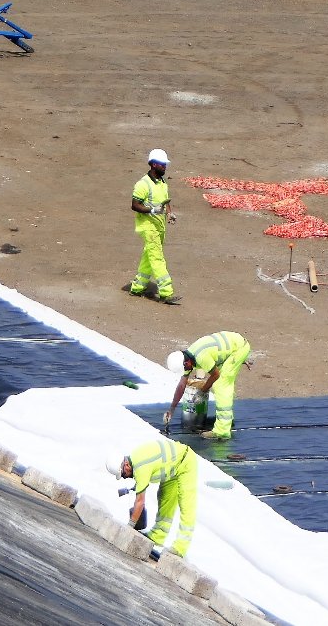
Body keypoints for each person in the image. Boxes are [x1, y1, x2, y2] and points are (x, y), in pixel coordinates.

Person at [108, 437, 198, 560]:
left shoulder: (140, 466)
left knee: (186, 504)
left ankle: (181, 547)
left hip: (185, 462)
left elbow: (140, 502)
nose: (124, 477)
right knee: (165, 499)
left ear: (127, 465)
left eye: (123, 474)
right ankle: (158, 535)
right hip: (172, 468)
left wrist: (129, 528)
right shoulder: (136, 459)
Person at [167, 331, 251, 439]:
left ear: (186, 363)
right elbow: (182, 385)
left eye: (185, 369)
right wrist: (171, 409)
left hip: (238, 347)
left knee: (221, 384)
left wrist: (202, 391)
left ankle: (222, 431)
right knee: (223, 383)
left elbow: (215, 374)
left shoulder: (201, 357)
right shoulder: (187, 358)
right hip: (232, 347)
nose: (186, 371)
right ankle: (226, 420)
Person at [125, 148, 178, 304]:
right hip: (147, 226)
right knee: (157, 257)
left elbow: (165, 201)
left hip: (159, 226)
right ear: (154, 164)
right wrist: (152, 210)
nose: (165, 167)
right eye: (162, 165)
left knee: (148, 257)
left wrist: (169, 213)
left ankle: (137, 287)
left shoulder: (162, 183)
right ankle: (166, 292)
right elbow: (135, 205)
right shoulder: (143, 184)